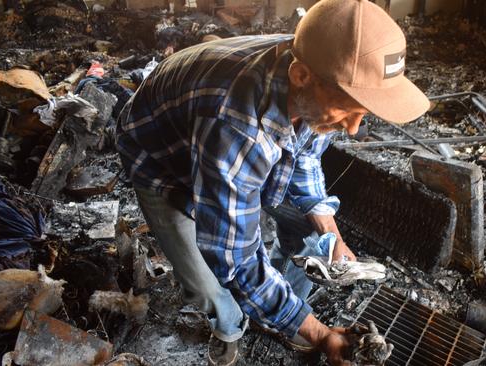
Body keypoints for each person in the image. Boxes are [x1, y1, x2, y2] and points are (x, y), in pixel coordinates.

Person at [115, 0, 429, 365]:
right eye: (349, 109)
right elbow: (234, 256)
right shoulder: (237, 127)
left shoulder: (321, 69)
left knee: (306, 233)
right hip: (162, 157)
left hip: (217, 142)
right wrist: (321, 334)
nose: (354, 127)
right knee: (208, 282)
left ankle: (278, 307)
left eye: (363, 112)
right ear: (301, 77)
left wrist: (333, 236)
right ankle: (230, 326)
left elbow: (306, 155)